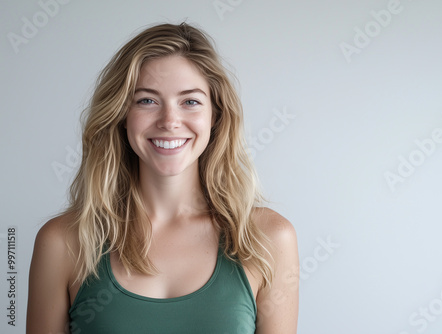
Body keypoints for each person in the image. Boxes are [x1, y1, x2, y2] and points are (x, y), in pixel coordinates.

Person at [26, 22, 299, 333]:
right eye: (147, 100)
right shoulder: (62, 241)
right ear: (121, 116)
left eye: (190, 101)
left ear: (216, 116)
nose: (170, 121)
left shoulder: (269, 238)